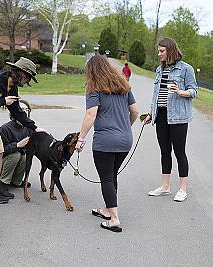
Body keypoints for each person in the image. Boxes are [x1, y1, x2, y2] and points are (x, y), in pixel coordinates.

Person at [76, 55, 138, 232]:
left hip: (105, 141)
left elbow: (91, 114)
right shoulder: (123, 85)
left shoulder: (94, 87)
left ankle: (115, 219)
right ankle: (107, 210)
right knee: (112, 175)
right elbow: (134, 111)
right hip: (126, 139)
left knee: (107, 178)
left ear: (91, 71)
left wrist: (80, 138)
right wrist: (126, 127)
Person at [0, 57, 45, 204]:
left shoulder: (12, 87)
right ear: (20, 73)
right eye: (27, 77)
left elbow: (17, 112)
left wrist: (34, 127)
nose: (27, 81)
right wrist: (2, 101)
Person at [143, 37, 198, 202]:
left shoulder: (186, 69)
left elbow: (194, 91)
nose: (159, 54)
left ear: (171, 50)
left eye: (162, 51)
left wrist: (181, 92)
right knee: (165, 151)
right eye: (158, 51)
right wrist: (151, 113)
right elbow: (156, 94)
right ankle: (165, 187)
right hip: (161, 115)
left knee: (179, 152)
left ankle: (182, 189)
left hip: (178, 117)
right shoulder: (160, 70)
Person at [0, 99, 34, 192]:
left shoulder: (29, 127)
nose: (25, 112)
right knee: (16, 155)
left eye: (27, 110)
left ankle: (16, 181)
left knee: (24, 156)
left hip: (17, 158)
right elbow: (0, 152)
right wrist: (17, 145)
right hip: (1, 162)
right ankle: (3, 182)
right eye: (21, 109)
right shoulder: (4, 128)